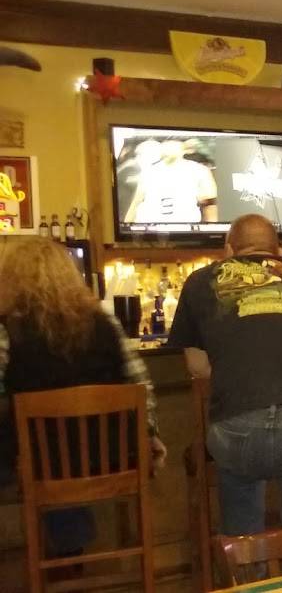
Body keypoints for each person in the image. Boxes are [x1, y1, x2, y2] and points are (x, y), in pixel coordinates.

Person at [167, 214, 282, 535]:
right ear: (279, 252)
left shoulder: (200, 281)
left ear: (228, 251)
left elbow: (197, 367)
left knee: (243, 530)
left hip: (240, 424)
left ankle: (247, 555)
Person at [0, 236, 166, 560]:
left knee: (44, 453)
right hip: (116, 460)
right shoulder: (104, 321)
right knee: (66, 450)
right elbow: (141, 386)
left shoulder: (7, 331)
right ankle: (71, 551)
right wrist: (148, 435)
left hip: (42, 468)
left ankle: (58, 556)